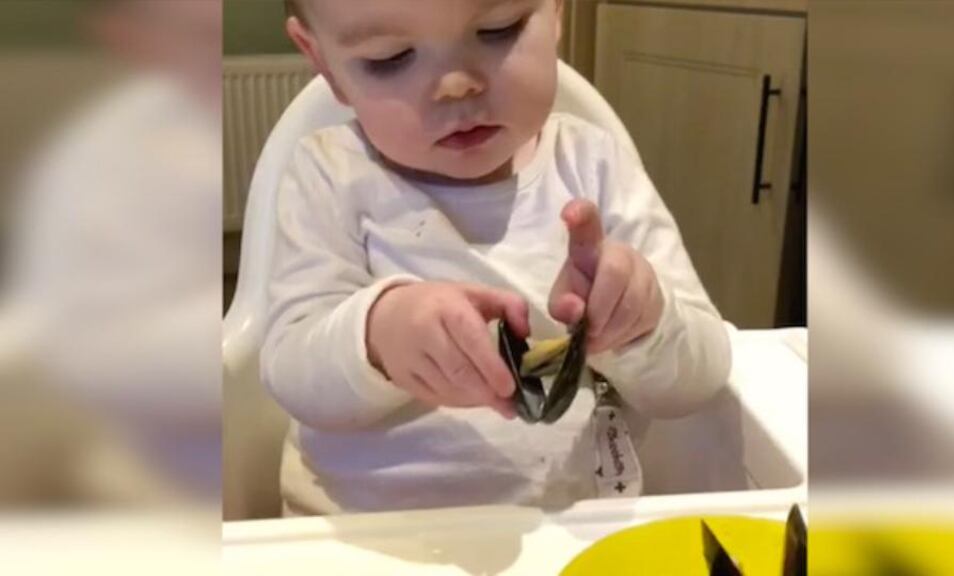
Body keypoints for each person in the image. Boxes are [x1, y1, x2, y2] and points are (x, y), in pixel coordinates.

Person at [264, 0, 731, 515]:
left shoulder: (593, 166)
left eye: (498, 30)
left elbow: (701, 379)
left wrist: (642, 324)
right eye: (390, 58)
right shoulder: (330, 175)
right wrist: (379, 333)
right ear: (324, 63)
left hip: (567, 529)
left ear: (556, 11)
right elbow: (290, 369)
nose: (456, 85)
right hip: (361, 535)